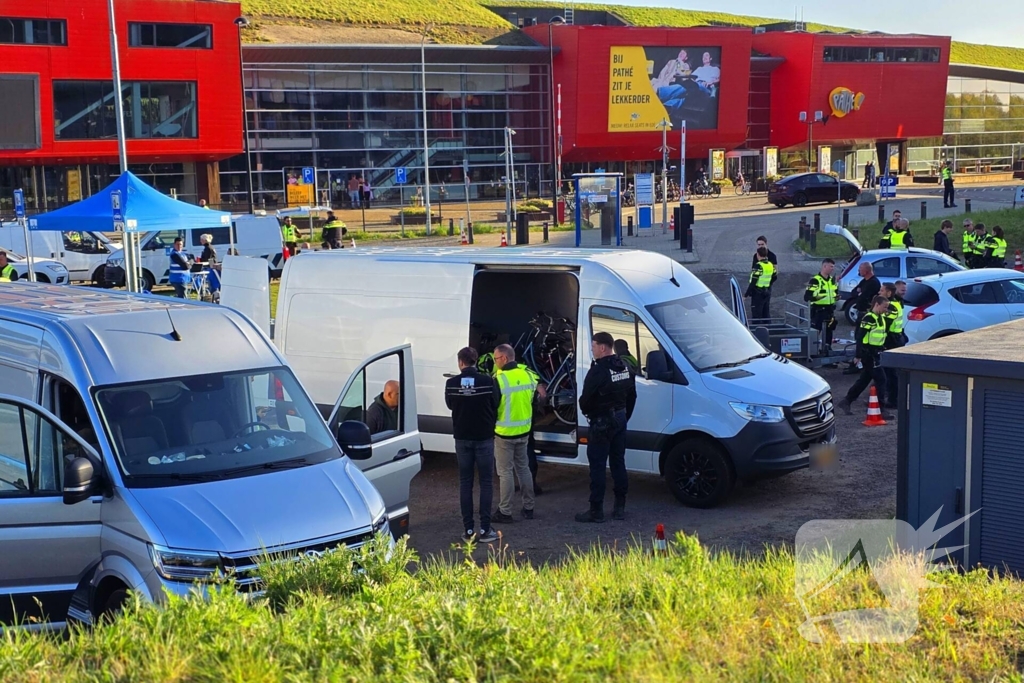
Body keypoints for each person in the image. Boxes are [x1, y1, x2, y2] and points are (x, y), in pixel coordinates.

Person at [576, 332, 637, 523]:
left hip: (602, 421)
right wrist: (624, 415)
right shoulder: (625, 366)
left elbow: (585, 401)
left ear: (603, 347)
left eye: (593, 346)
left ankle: (596, 511)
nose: (592, 349)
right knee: (618, 462)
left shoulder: (598, 371)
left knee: (598, 465)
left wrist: (592, 414)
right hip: (620, 417)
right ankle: (620, 507)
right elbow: (632, 396)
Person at [445, 347, 500, 544]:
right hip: (484, 437)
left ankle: (468, 530)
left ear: (460, 363)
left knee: (465, 482)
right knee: (486, 482)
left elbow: (450, 404)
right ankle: (485, 529)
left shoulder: (451, 384)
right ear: (476, 361)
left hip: (462, 438)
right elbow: (496, 402)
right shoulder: (488, 381)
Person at [491, 344, 536, 524]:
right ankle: (529, 507)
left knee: (505, 472)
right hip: (524, 430)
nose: (494, 362)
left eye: (495, 359)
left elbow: (492, 406)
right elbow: (535, 399)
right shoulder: (527, 375)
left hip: (504, 433)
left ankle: (505, 511)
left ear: (504, 358)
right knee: (523, 469)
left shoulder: (499, 380)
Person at [837, 295, 893, 418]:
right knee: (881, 380)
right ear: (877, 305)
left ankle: (847, 401)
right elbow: (860, 338)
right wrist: (858, 355)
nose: (886, 310)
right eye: (884, 307)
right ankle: (881, 409)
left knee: (864, 380)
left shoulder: (880, 317)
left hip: (876, 352)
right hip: (869, 354)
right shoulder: (869, 318)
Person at [804, 258, 838, 355]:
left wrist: (836, 297)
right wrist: (817, 298)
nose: (832, 269)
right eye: (831, 267)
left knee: (829, 332)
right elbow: (807, 297)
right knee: (815, 332)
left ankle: (827, 350)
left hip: (829, 310)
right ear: (824, 266)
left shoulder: (832, 280)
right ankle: (810, 352)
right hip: (818, 311)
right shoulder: (815, 280)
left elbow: (835, 292)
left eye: (833, 267)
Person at [882, 281, 908, 410]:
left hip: (892, 340)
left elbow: (885, 325)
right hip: (897, 338)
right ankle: (890, 398)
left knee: (891, 372)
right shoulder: (897, 303)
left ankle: (893, 400)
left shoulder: (892, 305)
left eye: (881, 291)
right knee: (892, 372)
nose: (879, 293)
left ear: (888, 292)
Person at [746, 247, 775, 323]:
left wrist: (745, 295)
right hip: (766, 292)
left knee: (756, 315)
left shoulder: (758, 266)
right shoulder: (770, 265)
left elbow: (753, 282)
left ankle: (757, 333)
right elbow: (775, 276)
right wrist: (768, 284)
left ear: (758, 255)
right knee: (766, 313)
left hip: (757, 293)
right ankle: (769, 331)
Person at [198, 234, 221, 301]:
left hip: (211, 268)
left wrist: (201, 261)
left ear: (205, 240)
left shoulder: (207, 248)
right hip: (213, 267)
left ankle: (213, 296)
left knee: (212, 283)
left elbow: (208, 259)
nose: (200, 241)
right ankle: (214, 296)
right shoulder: (211, 247)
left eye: (201, 240)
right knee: (214, 283)